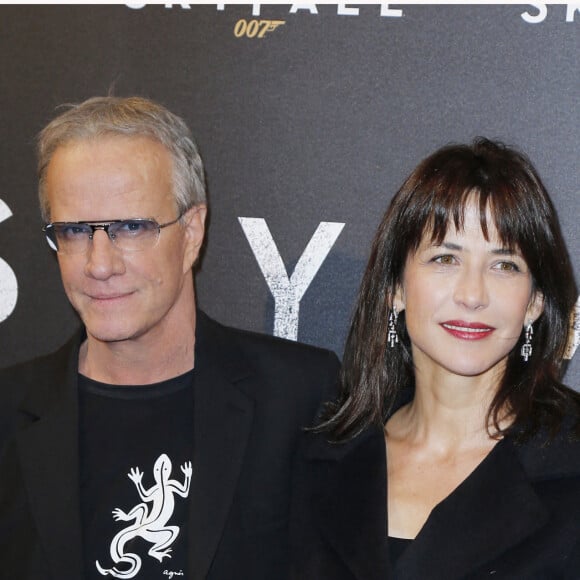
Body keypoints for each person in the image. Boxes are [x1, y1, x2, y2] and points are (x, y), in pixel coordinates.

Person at [0, 96, 339, 580]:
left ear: (193, 231)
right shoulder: (7, 413)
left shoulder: (301, 399)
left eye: (131, 227)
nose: (99, 264)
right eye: (75, 230)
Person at [290, 138, 580, 579]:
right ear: (396, 288)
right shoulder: (318, 457)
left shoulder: (569, 466)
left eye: (504, 265)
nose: (472, 295)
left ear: (536, 301)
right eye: (445, 258)